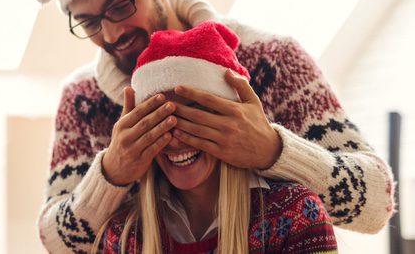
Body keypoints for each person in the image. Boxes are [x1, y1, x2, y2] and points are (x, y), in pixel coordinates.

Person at [32, 0, 395, 253]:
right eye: (88, 22)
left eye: (121, 6)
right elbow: (54, 242)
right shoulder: (82, 99)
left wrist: (273, 150)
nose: (111, 34)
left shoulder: (272, 60)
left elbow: (377, 202)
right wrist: (111, 174)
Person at [93, 21, 337, 254]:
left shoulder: (297, 215)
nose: (176, 140)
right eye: (159, 120)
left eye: (193, 114)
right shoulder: (125, 235)